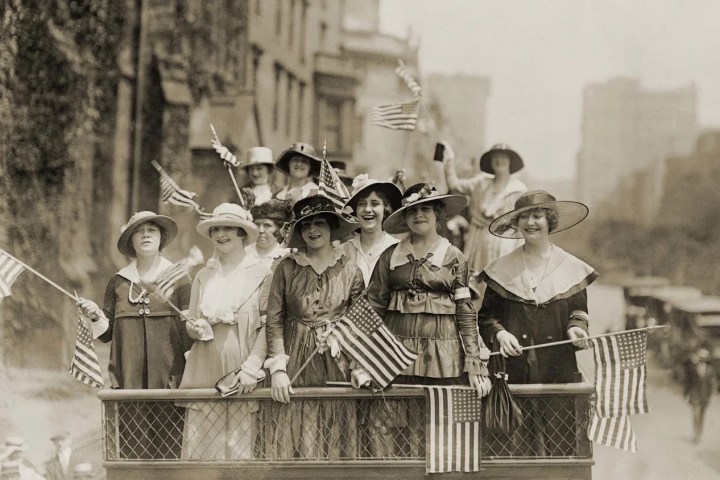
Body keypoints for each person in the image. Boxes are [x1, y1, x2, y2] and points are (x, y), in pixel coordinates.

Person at [366, 183, 492, 456]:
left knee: (438, 429)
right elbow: (373, 306)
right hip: (394, 354)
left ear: (437, 214)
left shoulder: (454, 257)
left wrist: (475, 362)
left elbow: (465, 311)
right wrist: (364, 359)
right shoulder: (390, 256)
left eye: (425, 209)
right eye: (412, 210)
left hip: (443, 356)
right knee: (387, 423)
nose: (418, 215)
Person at [477, 190, 596, 455]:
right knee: (513, 447)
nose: (531, 222)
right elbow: (486, 317)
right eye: (524, 217)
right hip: (512, 372)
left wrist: (577, 328)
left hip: (558, 370)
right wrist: (500, 334)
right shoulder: (501, 269)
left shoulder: (571, 267)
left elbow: (579, 310)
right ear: (516, 224)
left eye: (538, 216)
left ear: (549, 220)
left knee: (562, 444)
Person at [76, 211, 191, 459]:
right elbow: (106, 335)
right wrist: (96, 315)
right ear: (131, 241)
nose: (146, 234)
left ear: (161, 238)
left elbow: (188, 331)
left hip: (170, 382)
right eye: (139, 230)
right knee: (131, 453)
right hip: (128, 382)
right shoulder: (118, 282)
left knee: (170, 451)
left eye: (152, 229)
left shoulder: (179, 279)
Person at [264, 193, 364, 459]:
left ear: (331, 227)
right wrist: (278, 369)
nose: (312, 230)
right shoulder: (286, 268)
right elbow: (274, 319)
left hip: (337, 358)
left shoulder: (350, 270)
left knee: (336, 423)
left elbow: (359, 323)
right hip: (295, 355)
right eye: (305, 225)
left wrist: (357, 365)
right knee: (294, 425)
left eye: (318, 223)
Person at [179, 203, 269, 459]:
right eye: (216, 228)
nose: (221, 234)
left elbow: (268, 326)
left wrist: (252, 366)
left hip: (241, 367)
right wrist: (195, 328)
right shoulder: (203, 276)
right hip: (204, 362)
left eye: (229, 228)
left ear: (242, 233)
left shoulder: (262, 273)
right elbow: (191, 321)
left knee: (239, 446)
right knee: (203, 444)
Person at [442, 142, 527, 279]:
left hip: (506, 247)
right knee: (478, 284)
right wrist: (449, 160)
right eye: (495, 158)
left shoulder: (518, 189)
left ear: (510, 161)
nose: (500, 161)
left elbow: (522, 224)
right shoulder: (481, 184)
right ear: (491, 162)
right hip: (480, 245)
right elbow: (454, 185)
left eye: (504, 157)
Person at [341, 174, 402, 286]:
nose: (368, 209)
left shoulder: (398, 249)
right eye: (362, 204)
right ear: (355, 211)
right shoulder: (343, 251)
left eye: (375, 204)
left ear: (385, 209)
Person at [683, 344, 717, 443]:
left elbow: (713, 383)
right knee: (696, 415)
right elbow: (688, 382)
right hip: (694, 395)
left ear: (707, 359)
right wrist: (686, 394)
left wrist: (713, 395)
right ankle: (696, 433)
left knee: (702, 415)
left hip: (705, 397)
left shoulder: (710, 370)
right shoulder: (693, 368)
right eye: (700, 357)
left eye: (704, 358)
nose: (702, 359)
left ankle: (700, 431)